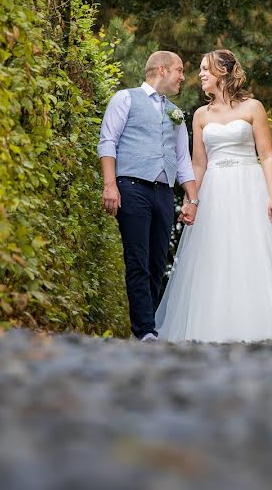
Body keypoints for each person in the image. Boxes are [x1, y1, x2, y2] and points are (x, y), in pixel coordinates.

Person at [155, 49, 272, 342]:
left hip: (250, 185)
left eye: (205, 68)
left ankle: (268, 321)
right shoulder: (200, 116)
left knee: (257, 252)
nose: (199, 74)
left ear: (223, 72)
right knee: (217, 254)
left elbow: (266, 156)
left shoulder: (253, 108)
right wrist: (191, 201)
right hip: (215, 191)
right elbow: (198, 164)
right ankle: (218, 325)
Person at [98, 51, 199, 341]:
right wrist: (110, 185)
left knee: (157, 262)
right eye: (179, 70)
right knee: (138, 259)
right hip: (131, 186)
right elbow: (108, 141)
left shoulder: (175, 113)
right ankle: (144, 330)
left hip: (164, 193)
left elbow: (183, 161)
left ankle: (149, 323)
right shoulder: (125, 99)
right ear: (162, 69)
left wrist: (192, 200)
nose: (182, 77)